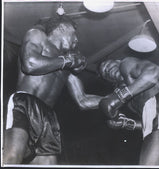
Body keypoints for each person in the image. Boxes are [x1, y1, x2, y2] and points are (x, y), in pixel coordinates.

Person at [3, 15, 104, 165]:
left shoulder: (65, 64)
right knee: (12, 158)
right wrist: (67, 61)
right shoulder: (37, 35)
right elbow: (30, 64)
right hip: (25, 103)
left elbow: (83, 100)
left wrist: (117, 98)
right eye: (74, 34)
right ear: (63, 27)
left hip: (48, 116)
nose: (76, 40)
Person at [99, 57, 159, 165]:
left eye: (107, 64)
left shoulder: (126, 64)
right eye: (104, 73)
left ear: (117, 61)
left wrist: (120, 97)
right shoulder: (131, 97)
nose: (106, 70)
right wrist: (127, 123)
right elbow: (148, 121)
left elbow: (154, 72)